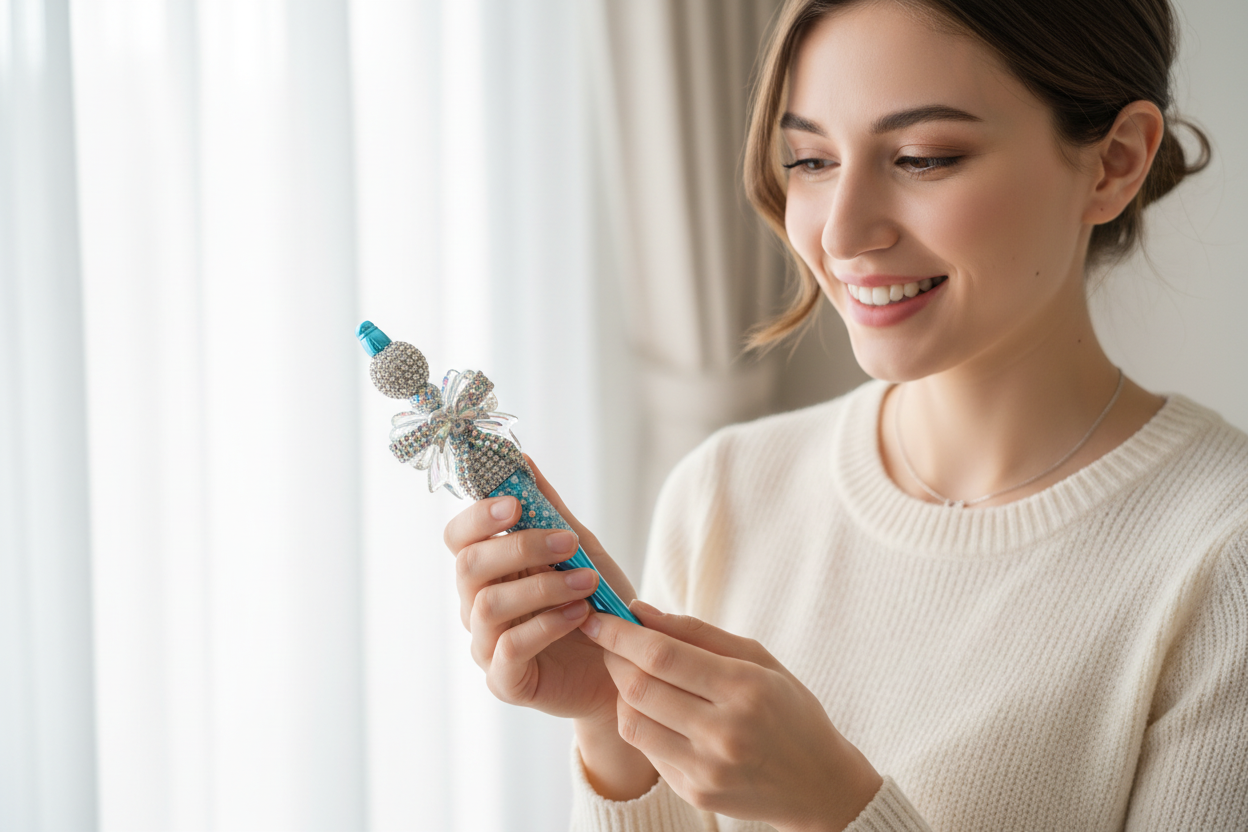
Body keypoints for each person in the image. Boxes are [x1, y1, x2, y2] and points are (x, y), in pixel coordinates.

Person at [443, 0, 1248, 829]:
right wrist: (617, 725)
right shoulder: (723, 493)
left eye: (923, 158)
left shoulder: (1224, 561)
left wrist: (833, 806)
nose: (842, 233)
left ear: (1115, 162)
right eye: (812, 160)